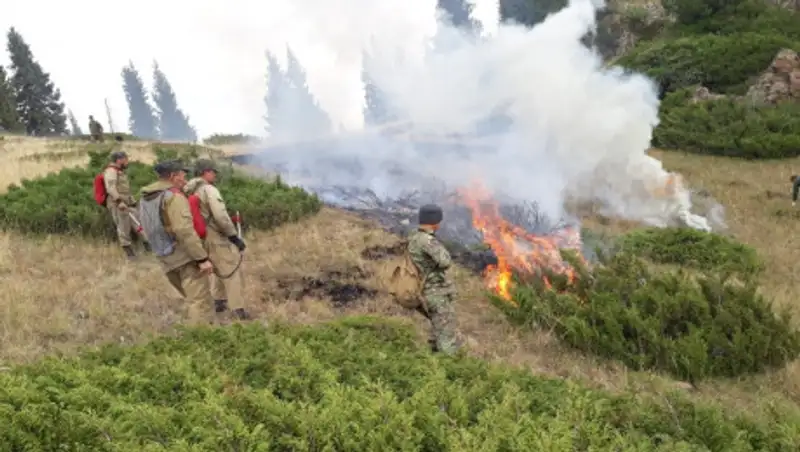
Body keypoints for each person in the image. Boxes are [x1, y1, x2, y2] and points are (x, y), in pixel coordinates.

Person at [138, 160, 216, 323]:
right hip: (184, 258)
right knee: (200, 302)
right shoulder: (174, 197)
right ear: (173, 176)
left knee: (190, 298)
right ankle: (203, 341)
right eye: (182, 175)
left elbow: (144, 228)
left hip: (164, 256)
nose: (185, 180)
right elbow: (184, 230)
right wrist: (202, 258)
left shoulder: (146, 198)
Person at [184, 159, 250, 320]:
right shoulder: (209, 190)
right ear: (205, 172)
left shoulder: (190, 190)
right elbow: (221, 216)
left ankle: (219, 301)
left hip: (200, 238)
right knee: (231, 269)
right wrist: (234, 237)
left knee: (216, 269)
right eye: (213, 172)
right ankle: (237, 309)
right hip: (214, 236)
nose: (215, 175)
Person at [407, 204, 461, 355]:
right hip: (435, 292)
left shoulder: (414, 237)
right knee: (446, 334)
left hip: (424, 290)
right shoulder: (427, 240)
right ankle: (448, 369)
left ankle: (432, 364)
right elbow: (445, 261)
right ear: (435, 221)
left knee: (436, 331)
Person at [103, 141, 147, 258]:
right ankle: (130, 254)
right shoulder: (111, 171)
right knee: (123, 228)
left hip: (127, 203)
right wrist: (119, 202)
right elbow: (111, 188)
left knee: (138, 224)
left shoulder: (119, 172)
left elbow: (125, 190)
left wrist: (132, 201)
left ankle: (148, 247)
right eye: (125, 159)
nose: (127, 162)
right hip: (118, 204)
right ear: (119, 160)